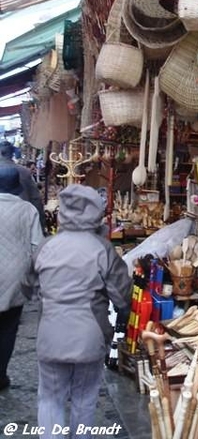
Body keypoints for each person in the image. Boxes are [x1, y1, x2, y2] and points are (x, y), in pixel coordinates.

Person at [22, 184, 132, 439]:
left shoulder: (46, 246)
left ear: (63, 213)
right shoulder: (102, 249)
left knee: (50, 398)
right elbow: (122, 295)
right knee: (85, 398)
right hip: (90, 337)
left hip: (50, 335)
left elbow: (28, 288)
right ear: (96, 214)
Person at [0, 167, 45, 390]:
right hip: (16, 276)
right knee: (8, 327)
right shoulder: (27, 210)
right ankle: (0, 375)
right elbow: (38, 245)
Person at [0, 141, 46, 231]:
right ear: (12, 154)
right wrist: (41, 225)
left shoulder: (24, 171)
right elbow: (35, 199)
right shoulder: (24, 172)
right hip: (22, 219)